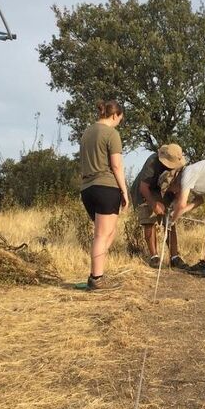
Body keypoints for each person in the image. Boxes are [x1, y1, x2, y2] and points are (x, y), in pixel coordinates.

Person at [77, 100, 130, 291]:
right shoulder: (111, 133)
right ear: (115, 115)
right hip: (106, 186)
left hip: (87, 188)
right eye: (119, 120)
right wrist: (124, 190)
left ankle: (98, 272)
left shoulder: (86, 132)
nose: (119, 123)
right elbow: (116, 165)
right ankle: (96, 278)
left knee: (109, 231)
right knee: (101, 235)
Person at [129, 143, 190, 270]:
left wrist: (175, 204)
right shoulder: (152, 161)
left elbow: (179, 187)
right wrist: (154, 204)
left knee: (170, 221)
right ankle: (154, 257)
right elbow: (143, 188)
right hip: (143, 191)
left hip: (163, 189)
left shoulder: (181, 166)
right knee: (149, 220)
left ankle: (174, 257)